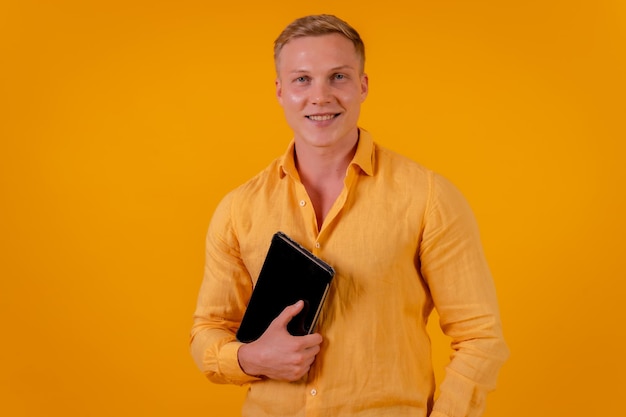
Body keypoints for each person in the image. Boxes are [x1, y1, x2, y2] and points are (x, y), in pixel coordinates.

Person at [190, 14, 509, 417]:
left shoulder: (428, 197)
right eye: (302, 79)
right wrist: (251, 358)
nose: (320, 96)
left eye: (338, 77)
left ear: (362, 86)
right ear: (280, 91)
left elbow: (480, 337)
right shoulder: (239, 209)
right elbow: (207, 332)